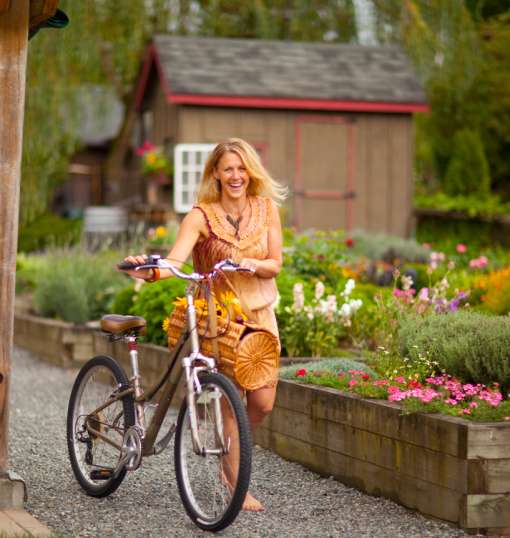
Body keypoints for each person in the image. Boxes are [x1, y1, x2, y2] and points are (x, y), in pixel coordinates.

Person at [122, 138, 287, 512]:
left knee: (262, 403)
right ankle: (233, 484)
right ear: (215, 172)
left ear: (250, 172)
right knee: (231, 403)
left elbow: (275, 262)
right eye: (228, 168)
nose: (236, 176)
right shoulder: (200, 215)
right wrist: (149, 270)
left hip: (259, 317)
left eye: (242, 168)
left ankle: (231, 454)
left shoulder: (266, 209)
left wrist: (253, 265)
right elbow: (175, 261)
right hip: (219, 317)